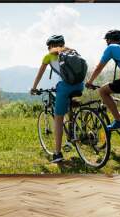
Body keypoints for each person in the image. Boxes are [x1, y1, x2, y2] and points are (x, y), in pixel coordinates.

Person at [30, 35, 84, 163]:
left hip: (64, 87)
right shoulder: (73, 52)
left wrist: (34, 87)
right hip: (80, 85)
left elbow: (40, 74)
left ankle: (58, 154)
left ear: (51, 46)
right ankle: (72, 131)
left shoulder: (48, 57)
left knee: (58, 118)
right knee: (69, 102)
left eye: (49, 46)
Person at [85, 30, 120, 130]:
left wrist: (90, 81)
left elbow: (99, 68)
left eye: (106, 40)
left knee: (103, 91)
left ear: (109, 40)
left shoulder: (111, 48)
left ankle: (119, 121)